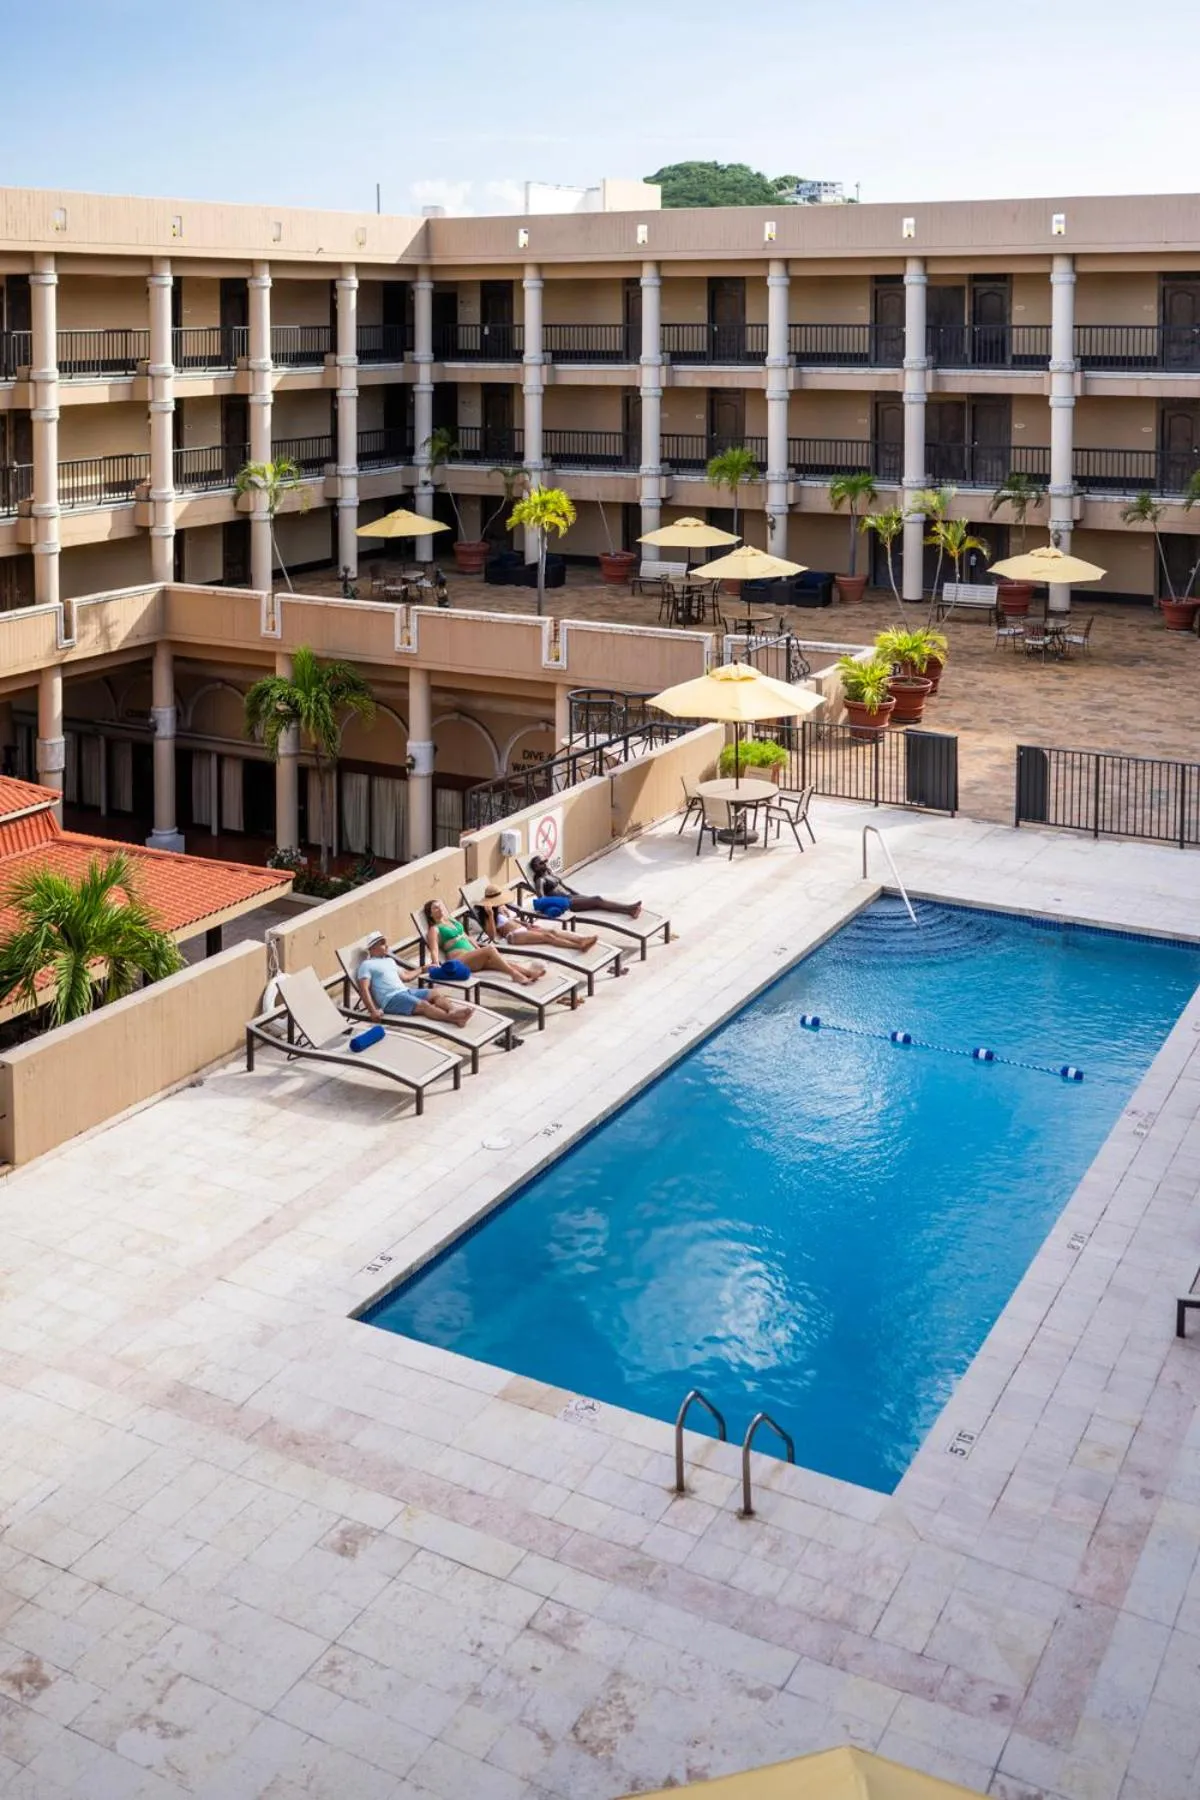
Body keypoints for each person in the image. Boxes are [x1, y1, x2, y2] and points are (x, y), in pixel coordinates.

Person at [356, 933, 475, 1026]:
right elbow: (364, 989)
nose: (386, 946)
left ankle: (453, 1011)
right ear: (372, 948)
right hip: (391, 999)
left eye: (385, 943)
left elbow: (406, 976)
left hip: (406, 991)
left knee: (434, 993)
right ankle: (455, 1019)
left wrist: (422, 969)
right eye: (382, 943)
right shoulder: (366, 965)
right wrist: (373, 1011)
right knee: (424, 1005)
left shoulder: (389, 961)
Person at [422, 898, 546, 986]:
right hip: (460, 960)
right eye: (435, 908)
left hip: (473, 957)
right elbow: (434, 949)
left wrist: (478, 950)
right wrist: (436, 963)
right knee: (491, 949)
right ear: (431, 914)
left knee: (501, 962)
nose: (439, 909)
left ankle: (529, 973)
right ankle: (514, 975)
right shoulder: (434, 929)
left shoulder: (453, 921)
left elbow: (468, 937)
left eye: (440, 906)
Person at [479, 885, 598, 954]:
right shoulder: (486, 914)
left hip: (523, 929)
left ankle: (582, 939)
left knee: (552, 932)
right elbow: (492, 935)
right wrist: (489, 915)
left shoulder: (500, 908)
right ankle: (579, 946)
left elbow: (510, 921)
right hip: (513, 936)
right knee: (548, 937)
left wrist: (526, 924)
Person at [527, 854, 643, 920]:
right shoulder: (540, 881)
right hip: (567, 904)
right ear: (535, 868)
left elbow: (565, 887)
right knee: (598, 900)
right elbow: (542, 900)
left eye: (544, 861)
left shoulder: (549, 874)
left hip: (572, 897)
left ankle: (629, 910)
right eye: (541, 863)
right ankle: (629, 908)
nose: (545, 863)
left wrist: (577, 894)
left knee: (598, 902)